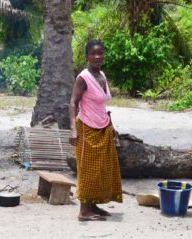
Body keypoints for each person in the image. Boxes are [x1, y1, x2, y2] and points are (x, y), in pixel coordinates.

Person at [69, 39, 122, 221]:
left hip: (103, 128)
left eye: (100, 53)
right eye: (93, 53)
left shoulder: (102, 75)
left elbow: (102, 105)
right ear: (87, 57)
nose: (97, 56)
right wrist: (73, 130)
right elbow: (73, 103)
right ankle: (84, 211)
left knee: (101, 169)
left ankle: (93, 205)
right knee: (88, 171)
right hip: (87, 130)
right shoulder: (83, 78)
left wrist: (111, 125)